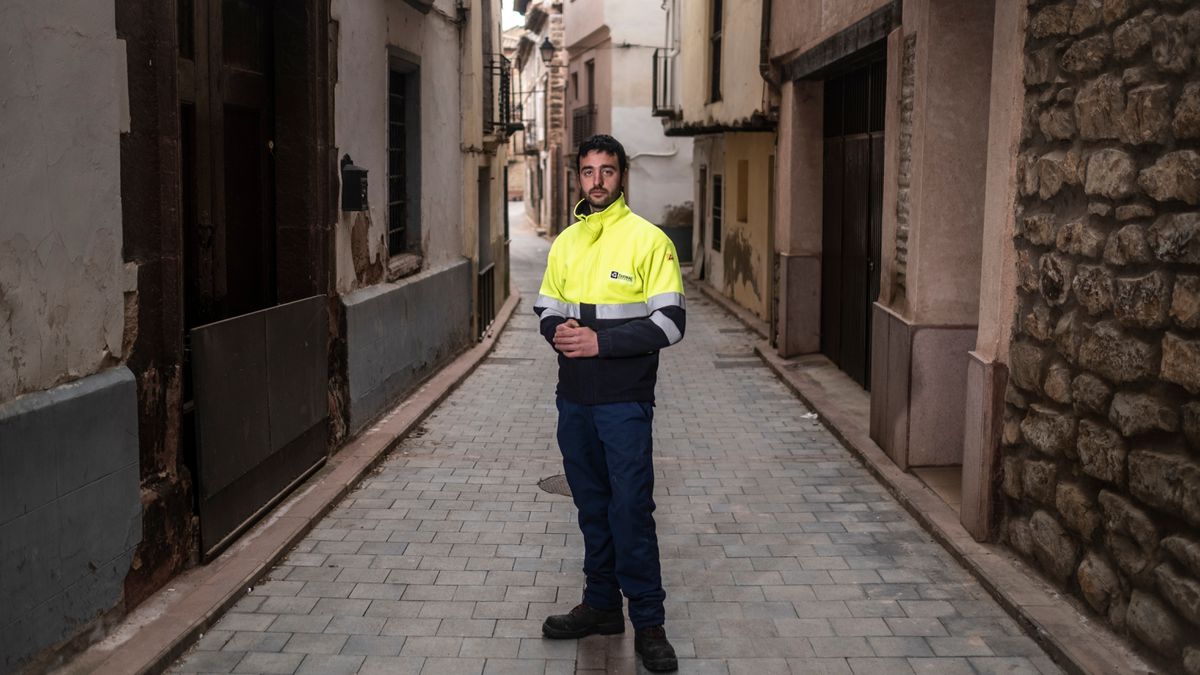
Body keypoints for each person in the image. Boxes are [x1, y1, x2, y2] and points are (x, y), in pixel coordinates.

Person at [533, 134, 685, 673]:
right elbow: (546, 306)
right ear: (579, 177)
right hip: (573, 400)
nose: (597, 181)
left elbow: (670, 323)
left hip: (623, 402)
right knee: (592, 506)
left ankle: (649, 622)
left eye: (608, 171)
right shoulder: (566, 244)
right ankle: (601, 606)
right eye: (589, 171)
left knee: (630, 509)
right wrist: (560, 330)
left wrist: (599, 342)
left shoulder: (650, 241)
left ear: (623, 177)